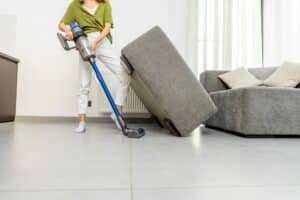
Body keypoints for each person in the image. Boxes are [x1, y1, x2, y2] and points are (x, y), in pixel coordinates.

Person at [58, 0, 130, 133]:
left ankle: (117, 113)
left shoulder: (105, 4)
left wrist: (96, 42)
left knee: (124, 74)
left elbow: (107, 26)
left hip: (102, 41)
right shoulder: (75, 5)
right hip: (84, 42)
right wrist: (70, 32)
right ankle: (82, 122)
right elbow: (61, 24)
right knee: (84, 85)